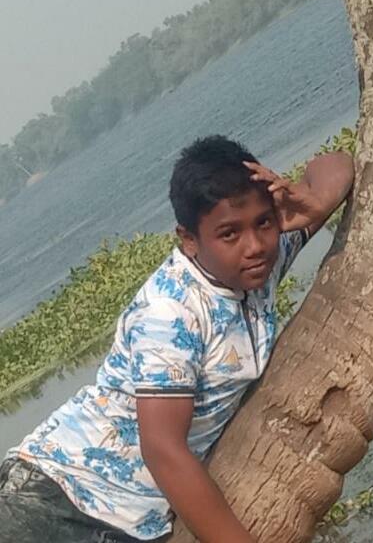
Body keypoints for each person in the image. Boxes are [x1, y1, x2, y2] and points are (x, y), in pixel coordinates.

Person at [0, 135, 354, 543]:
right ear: (189, 240)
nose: (254, 246)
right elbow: (163, 449)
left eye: (263, 222)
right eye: (229, 234)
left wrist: (310, 202)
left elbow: (336, 164)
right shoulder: (172, 313)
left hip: (130, 518)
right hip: (52, 501)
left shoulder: (257, 264)